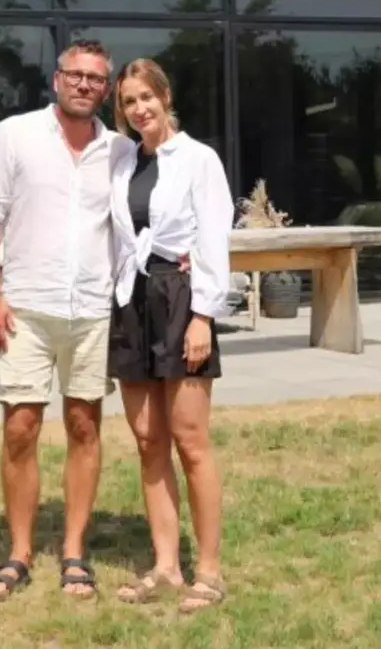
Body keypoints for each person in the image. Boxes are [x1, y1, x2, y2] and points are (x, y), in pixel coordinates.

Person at [0, 39, 129, 602]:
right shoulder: (14, 135)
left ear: (105, 89)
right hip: (25, 307)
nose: (84, 85)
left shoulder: (122, 151)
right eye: (75, 75)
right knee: (21, 428)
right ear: (56, 79)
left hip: (91, 309)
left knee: (85, 425)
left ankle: (74, 552)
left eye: (95, 79)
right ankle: (17, 553)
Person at [107, 58, 232, 613]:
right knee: (148, 439)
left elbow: (214, 238)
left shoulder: (199, 159)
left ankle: (208, 570)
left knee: (189, 438)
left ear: (165, 95)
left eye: (145, 98)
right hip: (132, 301)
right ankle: (166, 566)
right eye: (129, 102)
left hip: (181, 297)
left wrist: (204, 314)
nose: (138, 110)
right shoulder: (124, 163)